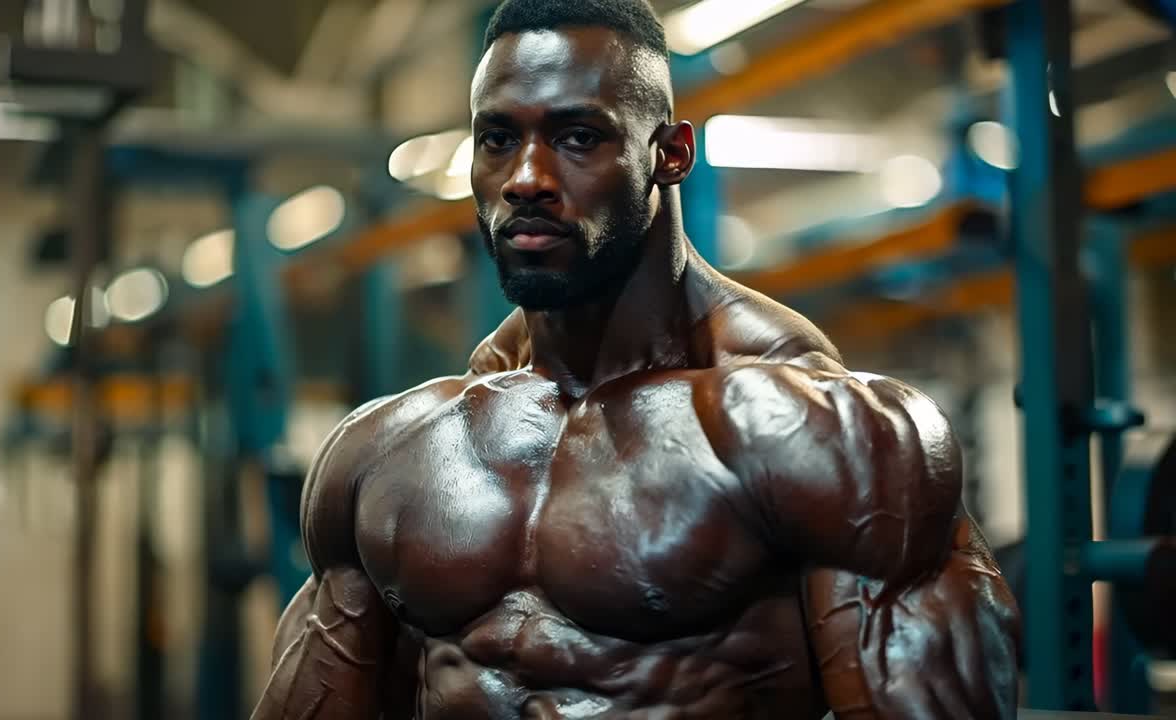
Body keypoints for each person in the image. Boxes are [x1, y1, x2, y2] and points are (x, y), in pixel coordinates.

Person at [251, 0, 1020, 717]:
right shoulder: (388, 450)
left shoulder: (821, 432)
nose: (526, 179)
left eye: (579, 137)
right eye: (497, 139)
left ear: (671, 154)